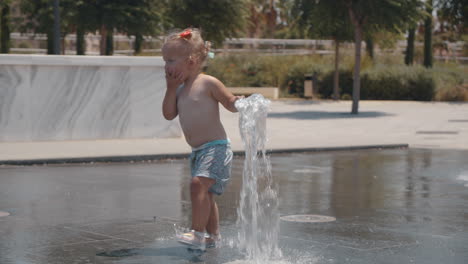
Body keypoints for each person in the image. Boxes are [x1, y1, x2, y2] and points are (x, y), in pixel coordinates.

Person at [161, 28, 242, 250]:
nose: (166, 66)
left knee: (198, 186)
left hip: (216, 148)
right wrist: (170, 89)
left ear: (192, 61)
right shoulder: (178, 89)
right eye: (164, 60)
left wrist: (239, 103)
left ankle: (197, 232)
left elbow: (229, 102)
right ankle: (213, 236)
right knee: (206, 195)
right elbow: (168, 114)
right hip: (198, 151)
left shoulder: (208, 83)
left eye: (170, 60)